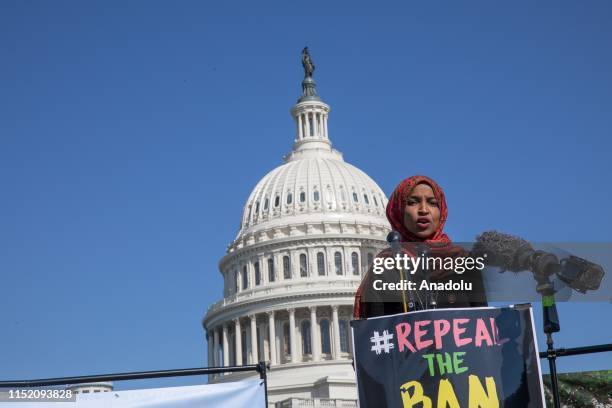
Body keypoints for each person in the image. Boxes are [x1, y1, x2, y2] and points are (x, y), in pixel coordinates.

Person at [353, 175, 487, 319]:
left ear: (441, 210)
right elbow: (375, 329)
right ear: (399, 210)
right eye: (413, 202)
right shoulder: (385, 268)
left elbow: (483, 323)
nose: (423, 209)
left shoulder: (464, 262)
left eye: (432, 203)